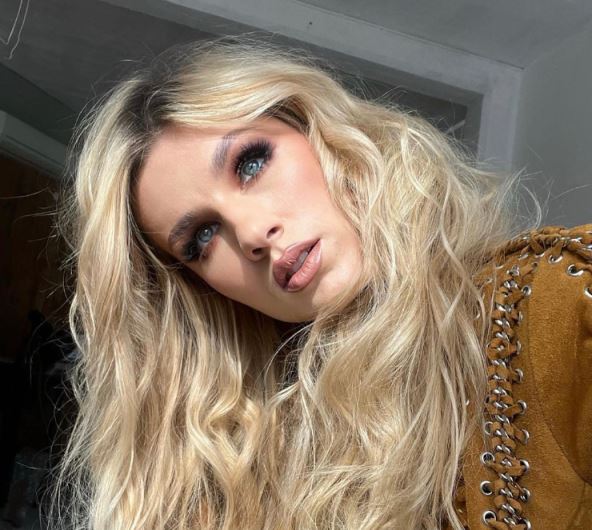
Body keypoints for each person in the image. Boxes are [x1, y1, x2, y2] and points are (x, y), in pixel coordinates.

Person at [51, 37, 592, 529]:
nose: (252, 234)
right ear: (200, 288)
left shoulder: (557, 302)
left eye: (250, 163)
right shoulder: (245, 472)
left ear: (317, 131)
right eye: (203, 237)